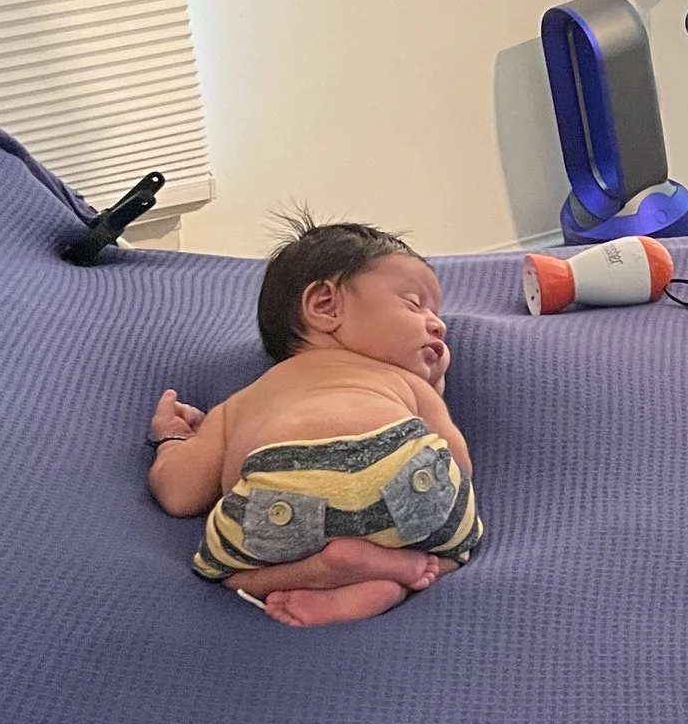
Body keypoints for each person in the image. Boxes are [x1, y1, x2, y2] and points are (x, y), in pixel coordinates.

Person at [149, 218, 482, 626]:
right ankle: (401, 571)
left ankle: (322, 570)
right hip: (399, 468)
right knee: (455, 545)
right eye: (415, 304)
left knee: (226, 572)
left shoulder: (244, 402)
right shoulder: (403, 382)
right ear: (325, 306)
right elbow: (458, 463)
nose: (438, 324)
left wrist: (172, 439)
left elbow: (179, 494)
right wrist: (433, 391)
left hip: (279, 492)